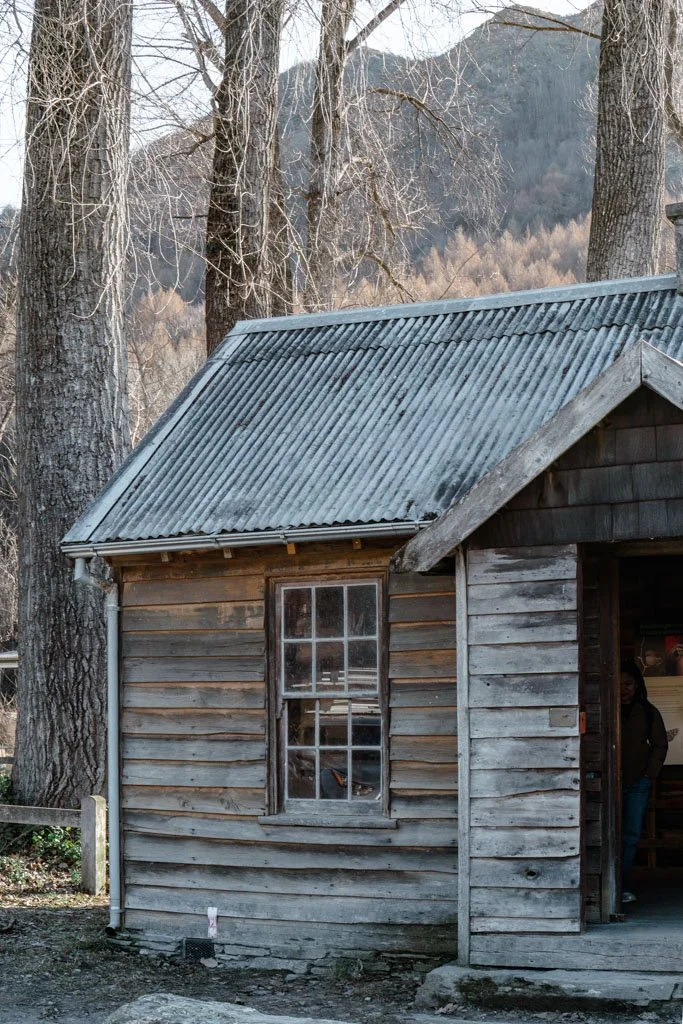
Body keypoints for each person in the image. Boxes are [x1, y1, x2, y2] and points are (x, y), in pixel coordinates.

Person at [620, 660, 668, 903]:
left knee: (630, 836)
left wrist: (650, 774)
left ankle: (622, 885)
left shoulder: (648, 712)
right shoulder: (605, 709)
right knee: (606, 833)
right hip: (610, 783)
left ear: (637, 685)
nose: (623, 688)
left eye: (628, 683)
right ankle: (607, 887)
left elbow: (660, 744)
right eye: (619, 684)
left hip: (638, 783)